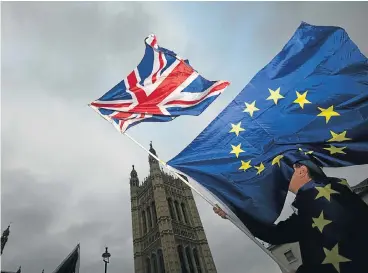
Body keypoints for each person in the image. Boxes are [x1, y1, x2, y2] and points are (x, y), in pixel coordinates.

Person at [213, 160, 368, 273]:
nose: (283, 179)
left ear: (302, 171)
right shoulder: (328, 196)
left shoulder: (313, 200)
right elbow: (277, 235)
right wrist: (234, 213)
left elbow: (340, 249)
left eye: (287, 172)